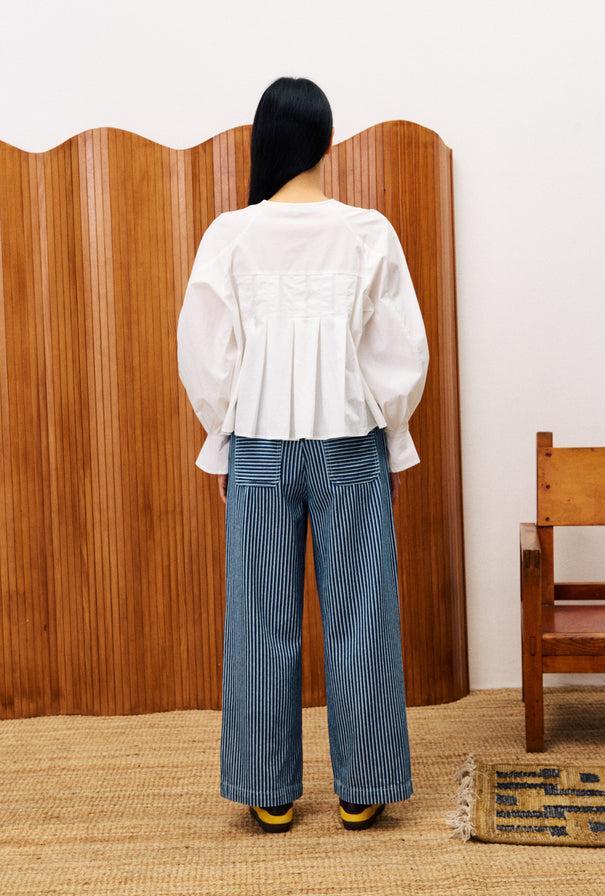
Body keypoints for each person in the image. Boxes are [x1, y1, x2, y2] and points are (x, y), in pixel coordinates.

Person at [176, 76, 429, 834]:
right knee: (361, 617)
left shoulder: (230, 234)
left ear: (264, 144)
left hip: (258, 445)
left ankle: (268, 788)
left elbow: (205, 353)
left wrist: (224, 436)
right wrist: (389, 432)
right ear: (326, 142)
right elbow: (399, 355)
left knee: (260, 621)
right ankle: (364, 785)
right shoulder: (367, 232)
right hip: (349, 444)